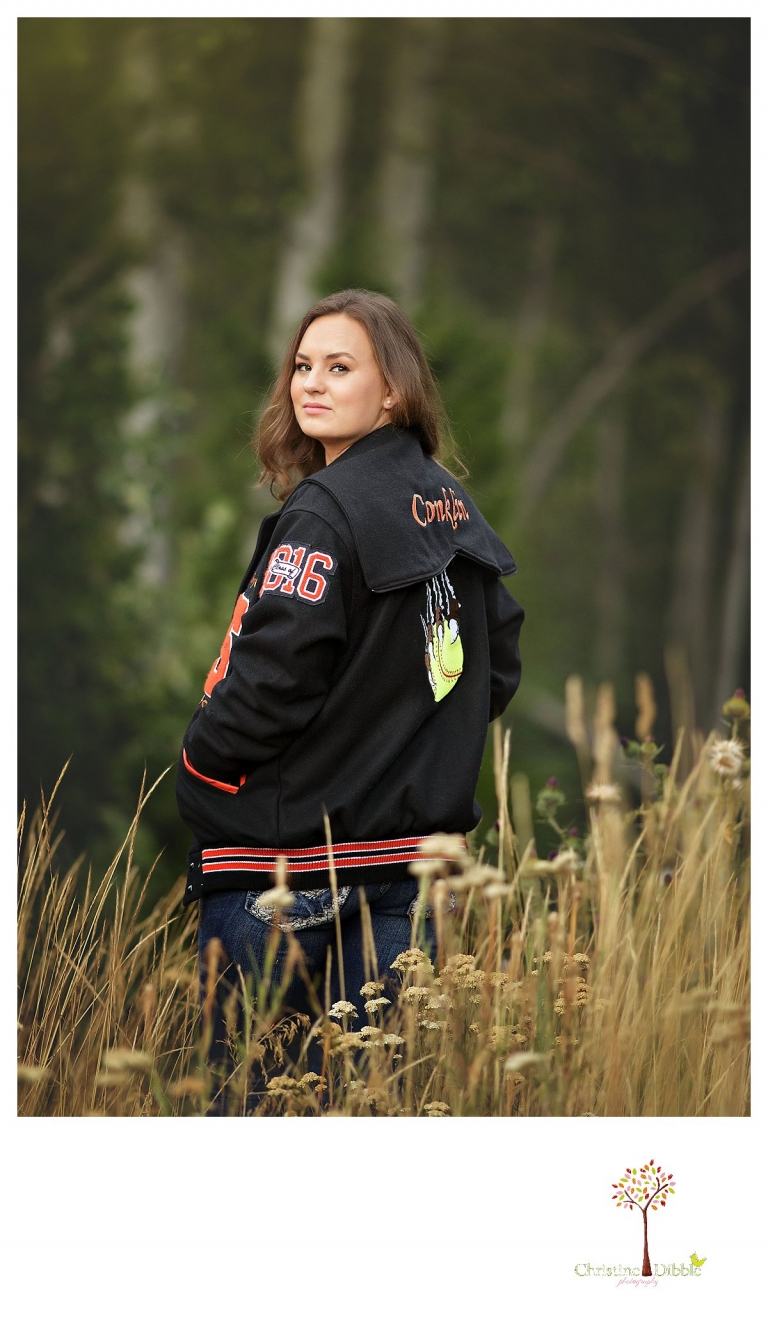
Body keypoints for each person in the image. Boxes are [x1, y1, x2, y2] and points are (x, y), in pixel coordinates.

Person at [175, 288, 524, 1103]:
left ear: (394, 390)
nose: (311, 384)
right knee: (378, 1123)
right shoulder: (455, 513)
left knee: (258, 1119)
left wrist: (199, 765)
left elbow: (268, 683)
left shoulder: (325, 512)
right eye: (302, 366)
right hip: (411, 887)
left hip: (284, 873)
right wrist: (400, 745)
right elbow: (490, 670)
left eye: (340, 367)